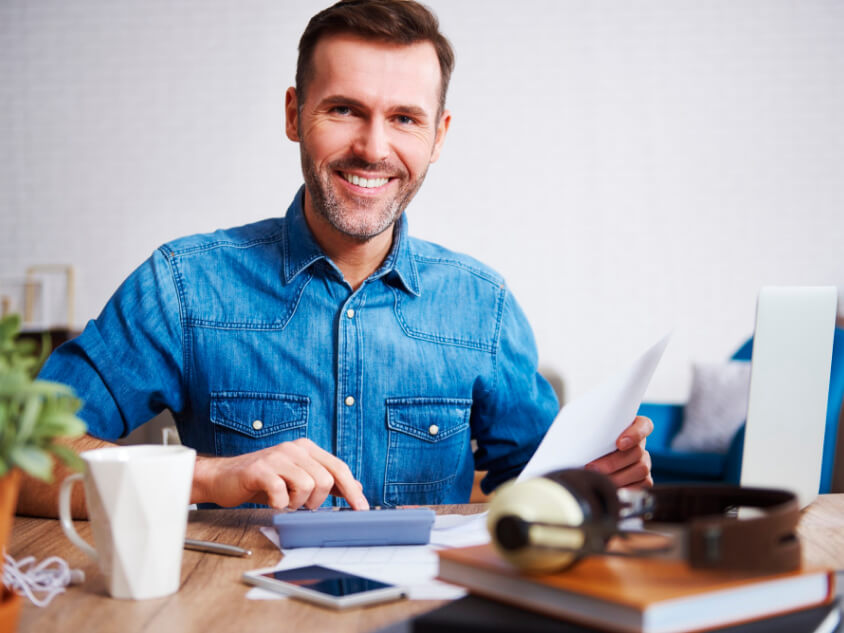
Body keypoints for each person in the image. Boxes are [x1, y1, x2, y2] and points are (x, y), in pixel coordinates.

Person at [18, 0, 652, 517]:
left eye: (405, 118)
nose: (373, 148)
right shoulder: (183, 284)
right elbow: (22, 460)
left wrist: (602, 483)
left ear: (438, 138)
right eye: (344, 109)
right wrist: (212, 476)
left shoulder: (482, 305)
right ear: (296, 114)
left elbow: (543, 494)